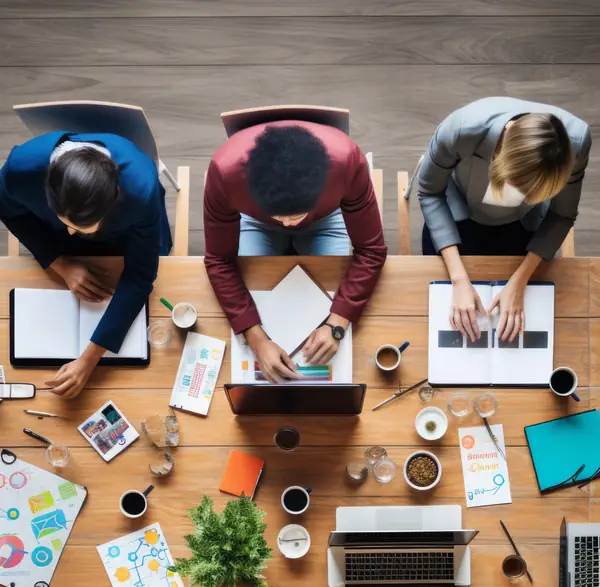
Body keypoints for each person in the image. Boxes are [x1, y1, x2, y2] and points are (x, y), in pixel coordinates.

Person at [204, 121, 387, 382]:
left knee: (330, 293)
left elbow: (371, 250)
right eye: (282, 217)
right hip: (257, 222)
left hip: (327, 218)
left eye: (295, 216)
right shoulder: (224, 172)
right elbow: (219, 260)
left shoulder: (347, 161)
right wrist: (256, 339)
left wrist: (337, 324)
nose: (289, 225)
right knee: (255, 288)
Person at [0, 130, 172, 398]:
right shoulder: (21, 168)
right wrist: (60, 264)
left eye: (80, 227)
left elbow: (140, 275)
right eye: (65, 221)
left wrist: (90, 358)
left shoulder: (140, 191)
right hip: (54, 239)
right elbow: (7, 209)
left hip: (126, 234)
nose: (71, 233)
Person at [418, 97, 590, 343]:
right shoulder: (460, 129)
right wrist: (458, 279)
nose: (521, 197)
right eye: (519, 188)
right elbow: (429, 192)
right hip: (458, 216)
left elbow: (561, 215)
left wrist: (520, 282)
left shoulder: (577, 142)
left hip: (525, 224)